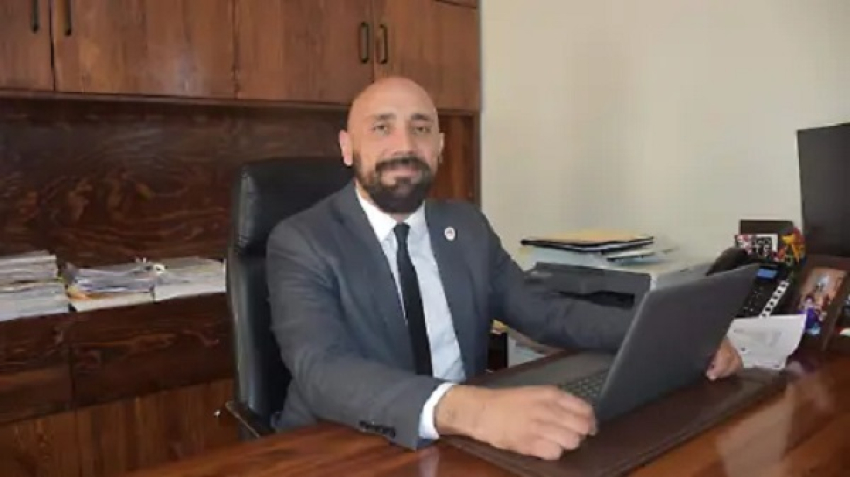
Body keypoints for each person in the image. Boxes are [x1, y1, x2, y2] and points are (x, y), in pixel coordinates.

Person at [266, 76, 743, 461]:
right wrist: (469, 410)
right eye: (381, 127)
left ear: (440, 146)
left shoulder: (465, 226)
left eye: (421, 128)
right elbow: (322, 370)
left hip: (460, 449)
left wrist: (675, 338)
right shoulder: (302, 240)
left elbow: (546, 311)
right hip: (338, 447)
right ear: (347, 146)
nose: (404, 144)